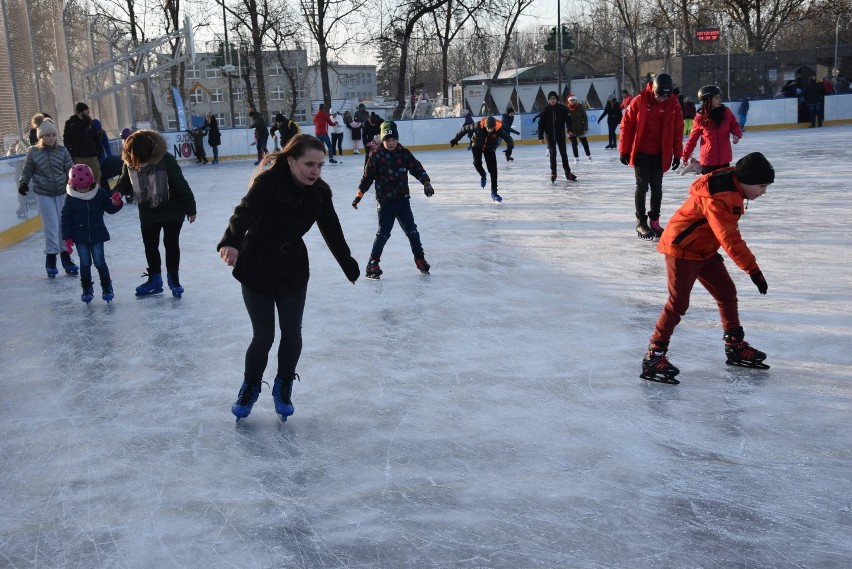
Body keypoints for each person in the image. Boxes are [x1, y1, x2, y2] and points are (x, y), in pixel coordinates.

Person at [217, 134, 359, 422]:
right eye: (309, 164)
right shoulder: (268, 182)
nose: (315, 171)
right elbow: (243, 212)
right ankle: (251, 386)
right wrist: (230, 241)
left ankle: (283, 385)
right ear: (292, 160)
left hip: (293, 265)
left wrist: (348, 264)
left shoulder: (320, 192)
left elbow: (332, 229)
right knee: (264, 335)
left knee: (292, 330)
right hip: (257, 262)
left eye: (320, 166)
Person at [640, 152, 775, 384]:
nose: (763, 191)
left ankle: (734, 344)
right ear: (746, 180)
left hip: (704, 248)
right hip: (681, 249)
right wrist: (753, 270)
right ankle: (654, 354)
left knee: (726, 293)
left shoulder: (733, 181)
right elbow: (730, 239)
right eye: (761, 186)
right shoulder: (720, 198)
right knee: (678, 303)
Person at [113, 129, 197, 298]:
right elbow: (124, 180)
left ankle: (174, 279)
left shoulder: (166, 159)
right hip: (147, 210)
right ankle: (155, 280)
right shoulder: (130, 160)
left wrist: (191, 209)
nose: (136, 160)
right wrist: (117, 192)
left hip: (172, 209)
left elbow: (180, 184)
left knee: (170, 243)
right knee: (150, 247)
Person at [352, 120, 434, 279]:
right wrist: (359, 196)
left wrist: (426, 183)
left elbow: (417, 168)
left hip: (403, 201)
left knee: (412, 232)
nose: (391, 143)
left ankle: (420, 259)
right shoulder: (376, 156)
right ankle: (372, 264)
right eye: (387, 140)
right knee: (383, 234)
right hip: (386, 202)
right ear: (383, 140)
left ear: (397, 139)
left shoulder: (404, 153)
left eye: (393, 139)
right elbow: (367, 178)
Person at [618, 73, 684, 240]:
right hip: (641, 151)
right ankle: (641, 222)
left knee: (657, 187)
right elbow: (626, 125)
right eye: (659, 95)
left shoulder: (673, 105)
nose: (661, 99)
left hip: (660, 153)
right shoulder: (640, 100)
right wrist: (623, 150)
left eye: (665, 96)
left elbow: (678, 130)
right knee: (642, 186)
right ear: (653, 89)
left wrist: (677, 154)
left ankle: (654, 221)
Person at [18, 118, 78, 277]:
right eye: (47, 135)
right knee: (51, 226)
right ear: (41, 137)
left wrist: (76, 182)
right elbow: (27, 170)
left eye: (53, 135)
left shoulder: (62, 150)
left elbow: (70, 168)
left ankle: (66, 257)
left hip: (62, 191)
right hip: (44, 193)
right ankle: (51, 258)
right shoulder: (33, 152)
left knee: (63, 224)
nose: (51, 138)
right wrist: (23, 182)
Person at [61, 164, 123, 303]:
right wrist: (67, 238)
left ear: (91, 182)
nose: (84, 190)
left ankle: (107, 287)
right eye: (80, 187)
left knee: (100, 262)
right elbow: (66, 218)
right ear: (73, 185)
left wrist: (117, 203)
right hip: (79, 237)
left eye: (87, 186)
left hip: (97, 234)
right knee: (85, 263)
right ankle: (87, 289)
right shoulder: (70, 198)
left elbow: (110, 208)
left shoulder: (99, 193)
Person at [682, 85, 743, 178]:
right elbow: (692, 139)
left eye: (719, 97)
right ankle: (696, 165)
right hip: (708, 161)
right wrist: (685, 155)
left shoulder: (726, 112)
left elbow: (735, 125)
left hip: (724, 159)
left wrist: (737, 134)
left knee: (724, 189)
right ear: (708, 100)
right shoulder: (700, 118)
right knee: (710, 190)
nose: (719, 100)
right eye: (716, 98)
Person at [450, 115, 514, 203]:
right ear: (485, 126)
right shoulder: (477, 126)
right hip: (477, 145)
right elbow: (465, 129)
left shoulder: (498, 129)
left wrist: (509, 148)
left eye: (492, 128)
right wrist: (456, 139)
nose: (490, 130)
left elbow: (508, 138)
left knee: (493, 170)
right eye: (489, 128)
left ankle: (494, 192)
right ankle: (483, 174)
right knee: (476, 163)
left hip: (490, 149)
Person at [537, 90, 577, 183]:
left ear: (556, 99)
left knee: (564, 154)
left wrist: (570, 130)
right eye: (550, 98)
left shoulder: (562, 108)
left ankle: (568, 173)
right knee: (553, 154)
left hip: (560, 135)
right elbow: (541, 124)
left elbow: (568, 120)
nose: (552, 100)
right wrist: (540, 136)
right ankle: (553, 172)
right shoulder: (545, 110)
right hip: (550, 136)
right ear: (548, 100)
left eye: (554, 98)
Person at [63, 102, 102, 183]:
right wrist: (69, 153)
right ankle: (82, 193)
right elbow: (66, 140)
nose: (88, 113)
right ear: (79, 112)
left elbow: (96, 138)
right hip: (78, 156)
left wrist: (99, 150)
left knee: (96, 175)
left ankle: (96, 191)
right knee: (80, 177)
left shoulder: (90, 123)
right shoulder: (71, 123)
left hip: (92, 155)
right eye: (86, 111)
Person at [566, 95, 592, 163]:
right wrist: (568, 130)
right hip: (571, 130)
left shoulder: (580, 107)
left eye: (574, 100)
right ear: (569, 101)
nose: (573, 102)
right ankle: (576, 158)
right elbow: (566, 120)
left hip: (581, 128)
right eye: (571, 100)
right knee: (574, 144)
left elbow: (585, 118)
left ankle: (589, 156)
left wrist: (585, 128)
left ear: (576, 100)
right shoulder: (566, 108)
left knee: (585, 143)